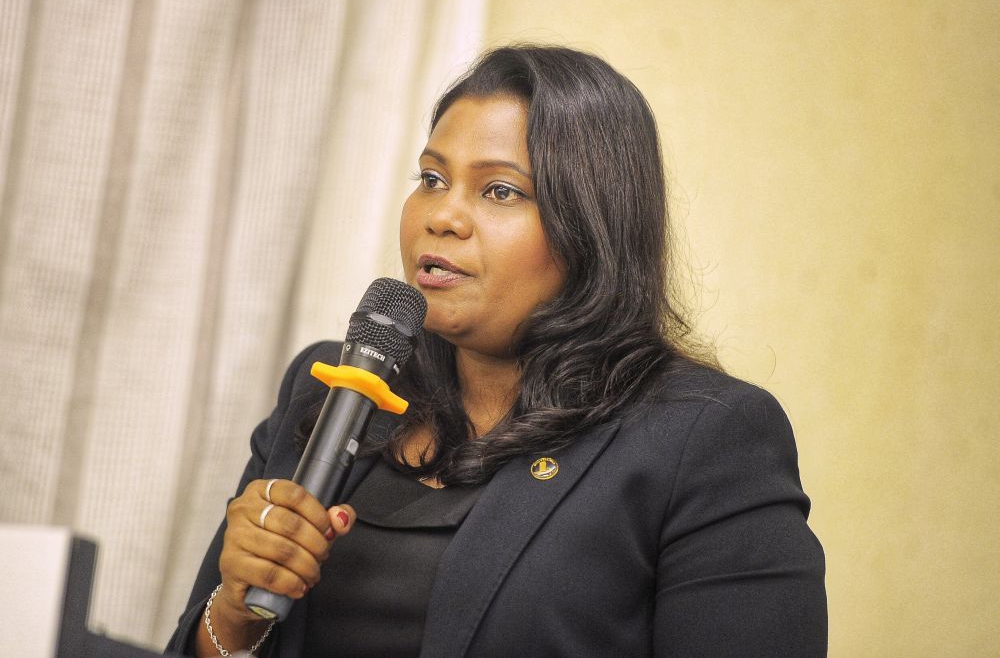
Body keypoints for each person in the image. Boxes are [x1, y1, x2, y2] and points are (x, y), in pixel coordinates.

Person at [167, 45, 827, 657]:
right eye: (430, 177)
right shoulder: (328, 391)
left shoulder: (702, 438)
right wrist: (234, 613)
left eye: (500, 190)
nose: (442, 215)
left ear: (589, 226)